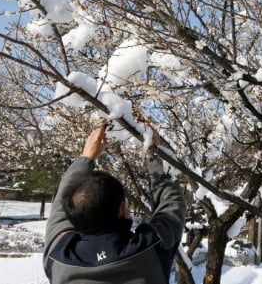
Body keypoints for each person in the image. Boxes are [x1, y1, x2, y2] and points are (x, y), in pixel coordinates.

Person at [43, 121, 185, 284]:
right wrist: (153, 156)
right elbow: (170, 203)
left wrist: (86, 157)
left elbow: (60, 209)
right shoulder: (149, 248)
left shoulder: (59, 257)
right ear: (122, 210)